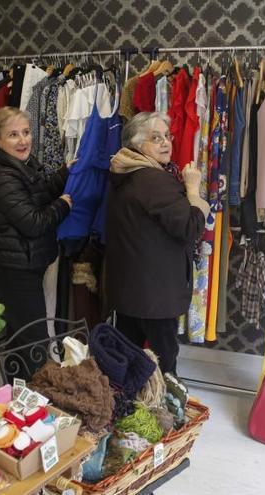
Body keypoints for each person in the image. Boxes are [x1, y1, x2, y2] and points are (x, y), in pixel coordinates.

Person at [105, 112, 209, 375]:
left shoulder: (126, 172)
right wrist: (193, 191)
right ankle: (167, 409)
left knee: (127, 358)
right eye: (155, 138)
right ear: (138, 144)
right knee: (164, 364)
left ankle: (127, 406)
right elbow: (190, 227)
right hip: (155, 293)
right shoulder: (154, 180)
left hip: (133, 289)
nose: (165, 143)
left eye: (167, 136)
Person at [0, 106, 72, 381]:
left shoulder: (22, 165)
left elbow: (38, 192)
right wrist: (63, 205)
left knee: (24, 333)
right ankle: (25, 397)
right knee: (31, 337)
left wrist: (65, 173)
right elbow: (32, 222)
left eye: (26, 132)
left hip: (24, 262)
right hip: (13, 267)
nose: (23, 140)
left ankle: (22, 394)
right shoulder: (2, 176)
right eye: (13, 135)